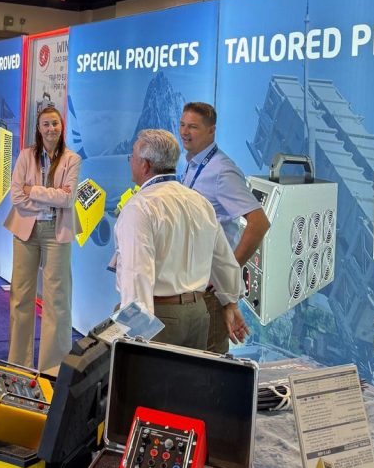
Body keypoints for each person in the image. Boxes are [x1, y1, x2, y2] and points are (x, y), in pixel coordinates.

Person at [114, 129, 248, 351]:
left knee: (149, 375)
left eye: (132, 157)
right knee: (187, 375)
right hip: (198, 314)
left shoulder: (140, 207)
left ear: (145, 165)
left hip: (158, 317)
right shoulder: (200, 202)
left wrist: (135, 339)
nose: (130, 162)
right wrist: (230, 304)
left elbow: (136, 274)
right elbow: (223, 260)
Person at [179, 102, 270, 354]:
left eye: (193, 127)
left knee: (208, 362)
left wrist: (229, 269)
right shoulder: (192, 164)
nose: (184, 132)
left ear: (211, 131)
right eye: (182, 125)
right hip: (193, 285)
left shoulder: (221, 171)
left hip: (211, 291)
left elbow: (259, 223)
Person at [5, 106, 80, 373]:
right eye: (46, 124)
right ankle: (18, 363)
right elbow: (17, 197)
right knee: (20, 296)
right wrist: (49, 197)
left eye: (55, 124)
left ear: (62, 127)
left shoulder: (72, 159)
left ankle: (53, 368)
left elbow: (67, 198)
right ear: (38, 128)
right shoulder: (26, 156)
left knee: (57, 299)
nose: (51, 129)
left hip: (56, 233)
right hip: (26, 231)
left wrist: (33, 191)